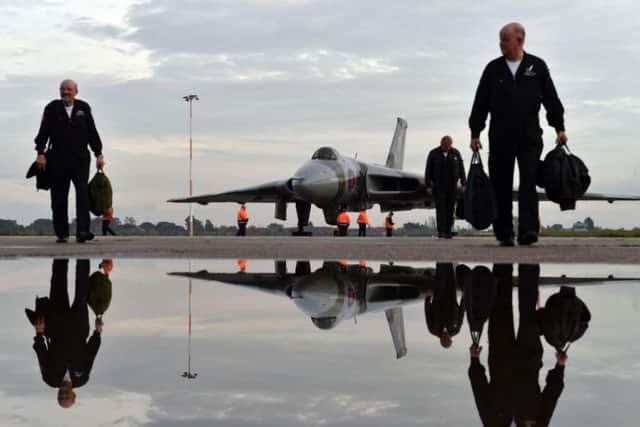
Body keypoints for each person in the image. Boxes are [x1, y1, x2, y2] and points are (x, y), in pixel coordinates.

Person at [468, 23, 567, 246]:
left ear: (519, 41)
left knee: (528, 182)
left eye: (504, 40)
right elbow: (480, 102)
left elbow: (551, 99)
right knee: (500, 184)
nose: (500, 44)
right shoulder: (493, 69)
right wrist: (475, 132)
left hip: (529, 136)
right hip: (500, 136)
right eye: (500, 39)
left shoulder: (537, 67)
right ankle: (504, 232)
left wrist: (559, 128)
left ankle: (528, 230)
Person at [468, 264, 566, 426]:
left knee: (500, 308)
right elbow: (550, 397)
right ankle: (529, 262)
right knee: (528, 312)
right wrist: (560, 367)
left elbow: (481, 394)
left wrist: (474, 362)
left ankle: (502, 263)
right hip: (528, 362)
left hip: (500, 359)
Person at [34, 79, 105, 243]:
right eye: (63, 89)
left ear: (76, 92)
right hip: (58, 159)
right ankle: (62, 233)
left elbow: (92, 132)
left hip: (80, 159)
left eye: (69, 89)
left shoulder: (83, 108)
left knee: (82, 195)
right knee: (59, 196)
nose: (65, 92)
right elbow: (43, 132)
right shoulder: (52, 108)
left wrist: (99, 154)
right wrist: (40, 153)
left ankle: (83, 232)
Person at [30, 259, 103, 408]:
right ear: (73, 394)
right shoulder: (82, 379)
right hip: (79, 326)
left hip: (57, 326)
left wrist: (39, 333)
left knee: (58, 281)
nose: (63, 393)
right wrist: (97, 332)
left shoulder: (50, 379)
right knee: (82, 289)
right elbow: (90, 354)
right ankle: (83, 255)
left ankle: (60, 253)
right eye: (66, 396)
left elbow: (41, 354)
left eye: (60, 396)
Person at [426, 136, 466, 238]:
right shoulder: (433, 153)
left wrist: (463, 183)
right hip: (438, 185)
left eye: (449, 146)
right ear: (442, 144)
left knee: (450, 208)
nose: (447, 148)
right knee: (440, 209)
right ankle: (441, 231)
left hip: (452, 185)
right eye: (445, 146)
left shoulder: (456, 153)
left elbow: (461, 168)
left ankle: (448, 230)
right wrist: (428, 185)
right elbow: (428, 170)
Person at [425, 263, 465, 348]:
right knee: (450, 274)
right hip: (451, 297)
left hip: (438, 297)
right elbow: (461, 314)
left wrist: (428, 298)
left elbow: (428, 313)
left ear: (441, 339)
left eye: (445, 338)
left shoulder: (433, 330)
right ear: (451, 339)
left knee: (441, 274)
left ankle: (440, 259)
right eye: (448, 338)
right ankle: (448, 259)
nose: (447, 336)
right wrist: (463, 300)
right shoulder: (456, 330)